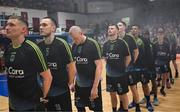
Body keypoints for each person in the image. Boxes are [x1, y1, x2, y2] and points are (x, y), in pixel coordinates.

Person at [4, 15, 52, 111]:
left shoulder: (32, 49)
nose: (7, 28)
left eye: (11, 25)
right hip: (13, 104)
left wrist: (43, 97)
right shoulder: (8, 49)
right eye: (7, 25)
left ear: (23, 30)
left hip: (31, 105)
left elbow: (48, 77)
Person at [38, 17, 76, 111]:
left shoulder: (62, 44)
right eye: (40, 25)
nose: (41, 27)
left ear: (53, 28)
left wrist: (70, 83)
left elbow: (72, 66)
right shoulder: (39, 46)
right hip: (45, 91)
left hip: (61, 90)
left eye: (44, 25)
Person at [69, 26, 103, 112]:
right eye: (73, 39)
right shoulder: (74, 46)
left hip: (92, 84)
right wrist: (72, 82)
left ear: (81, 33)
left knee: (97, 109)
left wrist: (95, 87)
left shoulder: (93, 44)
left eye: (76, 38)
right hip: (79, 85)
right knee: (79, 107)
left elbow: (99, 66)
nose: (75, 41)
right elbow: (74, 65)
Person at [103, 24, 131, 112]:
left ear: (117, 31)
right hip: (109, 75)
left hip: (120, 74)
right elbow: (105, 58)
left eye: (112, 28)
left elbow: (128, 57)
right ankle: (114, 110)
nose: (109, 30)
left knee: (122, 94)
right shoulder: (105, 44)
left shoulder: (122, 43)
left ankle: (125, 110)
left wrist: (123, 67)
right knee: (112, 94)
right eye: (108, 28)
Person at [117, 21, 140, 111]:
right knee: (120, 90)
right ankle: (122, 106)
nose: (118, 27)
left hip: (130, 68)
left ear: (125, 27)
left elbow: (136, 51)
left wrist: (132, 62)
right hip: (119, 69)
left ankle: (137, 106)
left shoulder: (130, 38)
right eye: (117, 25)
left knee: (133, 88)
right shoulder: (116, 38)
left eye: (120, 25)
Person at [130, 25, 154, 111]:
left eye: (135, 29)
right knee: (133, 86)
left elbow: (149, 55)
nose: (134, 30)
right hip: (132, 67)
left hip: (143, 67)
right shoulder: (128, 40)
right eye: (132, 29)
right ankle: (134, 101)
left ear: (139, 30)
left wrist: (150, 67)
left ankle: (148, 103)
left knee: (145, 85)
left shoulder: (144, 40)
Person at [153, 28, 171, 96]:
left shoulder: (166, 44)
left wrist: (167, 61)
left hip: (164, 62)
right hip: (157, 63)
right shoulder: (154, 44)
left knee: (164, 75)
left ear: (163, 35)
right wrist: (154, 62)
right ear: (157, 35)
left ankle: (162, 89)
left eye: (161, 34)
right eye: (159, 34)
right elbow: (153, 54)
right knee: (157, 76)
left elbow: (169, 53)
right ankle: (154, 90)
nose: (160, 35)